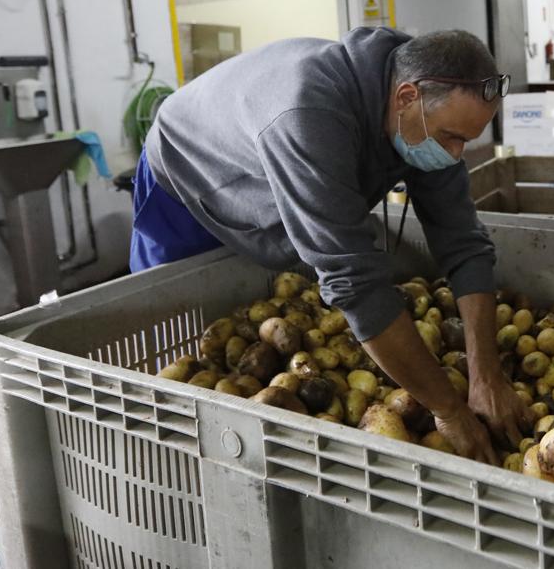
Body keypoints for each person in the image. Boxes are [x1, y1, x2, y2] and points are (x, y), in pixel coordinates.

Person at [131, 27, 531, 462]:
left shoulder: (425, 102)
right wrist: (450, 411)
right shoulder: (308, 114)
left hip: (269, 171)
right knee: (181, 358)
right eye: (451, 137)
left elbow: (463, 242)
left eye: (466, 141)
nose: (455, 155)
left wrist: (486, 376)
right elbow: (356, 285)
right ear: (404, 98)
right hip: (185, 182)